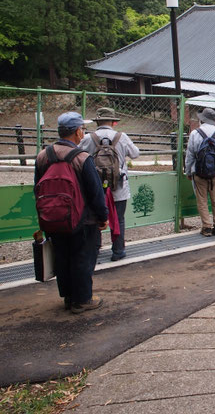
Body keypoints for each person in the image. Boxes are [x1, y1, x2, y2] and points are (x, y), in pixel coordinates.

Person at [34, 112, 108, 313]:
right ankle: (83, 299)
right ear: (77, 132)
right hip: (83, 220)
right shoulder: (82, 158)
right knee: (83, 257)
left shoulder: (43, 156)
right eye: (82, 129)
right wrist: (103, 217)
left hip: (52, 218)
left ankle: (68, 296)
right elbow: (95, 192)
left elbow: (37, 188)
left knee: (62, 257)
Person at [79, 107, 140, 261]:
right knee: (118, 218)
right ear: (113, 122)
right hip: (118, 185)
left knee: (94, 217)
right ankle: (118, 251)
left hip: (95, 186)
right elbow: (135, 154)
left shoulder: (88, 138)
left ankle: (96, 247)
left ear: (97, 122)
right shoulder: (122, 137)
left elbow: (77, 155)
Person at [185, 108, 215, 237]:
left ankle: (206, 227)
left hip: (199, 173)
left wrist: (188, 171)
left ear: (202, 119)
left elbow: (190, 155)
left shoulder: (195, 134)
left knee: (202, 201)